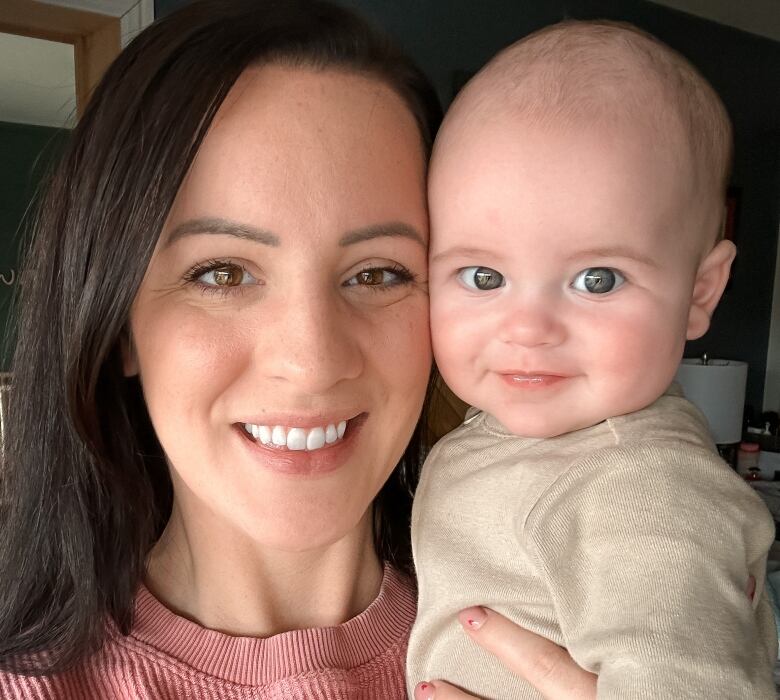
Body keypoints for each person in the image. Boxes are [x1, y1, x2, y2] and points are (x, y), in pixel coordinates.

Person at [0, 1, 602, 698]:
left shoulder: (602, 644)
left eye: (378, 273)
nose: (312, 361)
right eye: (221, 273)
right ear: (119, 322)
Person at [408, 20, 777, 700]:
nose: (528, 327)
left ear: (701, 293)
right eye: (484, 277)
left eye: (597, 279)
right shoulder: (504, 436)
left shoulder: (647, 488)